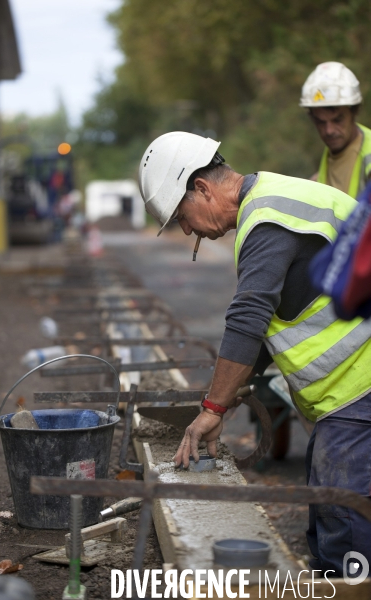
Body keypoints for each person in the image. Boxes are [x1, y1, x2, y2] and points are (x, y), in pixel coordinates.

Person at [138, 131, 371, 577]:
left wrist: (213, 408)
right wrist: (236, 392)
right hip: (348, 395)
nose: (186, 230)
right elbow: (269, 327)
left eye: (181, 215)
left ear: (202, 188)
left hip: (361, 388)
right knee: (330, 517)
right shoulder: (268, 206)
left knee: (345, 526)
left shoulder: (268, 220)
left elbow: (248, 318)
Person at [300, 61, 371, 197]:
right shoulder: (333, 152)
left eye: (337, 120)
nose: (329, 130)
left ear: (354, 112)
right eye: (321, 122)